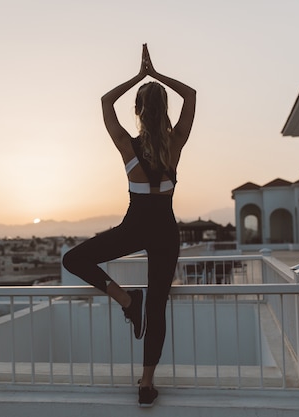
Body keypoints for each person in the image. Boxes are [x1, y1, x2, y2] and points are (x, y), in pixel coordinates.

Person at [62, 44, 196, 407]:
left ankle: (124, 298)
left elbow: (106, 102)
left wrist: (139, 76)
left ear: (137, 111)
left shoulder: (127, 145)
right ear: (165, 111)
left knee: (73, 260)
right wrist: (157, 76)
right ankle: (146, 383)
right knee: (157, 310)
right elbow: (192, 95)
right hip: (166, 232)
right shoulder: (176, 144)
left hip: (134, 228)